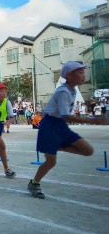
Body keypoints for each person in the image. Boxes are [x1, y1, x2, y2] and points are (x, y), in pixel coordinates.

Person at [27, 61, 108, 199]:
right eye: (80, 72)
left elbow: (65, 118)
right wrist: (92, 121)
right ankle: (34, 183)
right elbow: (66, 116)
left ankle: (58, 146)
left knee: (88, 150)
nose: (83, 75)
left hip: (60, 125)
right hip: (50, 125)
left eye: (83, 72)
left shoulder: (73, 90)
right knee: (51, 162)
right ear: (69, 76)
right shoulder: (63, 91)